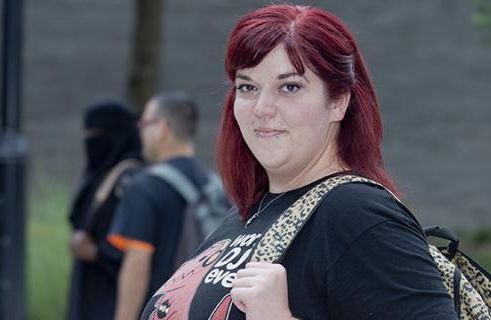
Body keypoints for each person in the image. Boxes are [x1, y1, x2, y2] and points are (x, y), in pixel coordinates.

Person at [139, 5, 457, 320]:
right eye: (247, 87)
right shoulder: (250, 211)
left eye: (289, 87)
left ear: (338, 101)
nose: (262, 108)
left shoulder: (356, 214)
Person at [108, 92, 215, 320]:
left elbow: (137, 264)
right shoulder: (213, 183)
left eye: (144, 123)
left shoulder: (144, 186)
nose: (141, 132)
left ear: (162, 128)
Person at [66, 100, 143, 320]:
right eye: (88, 133)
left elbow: (138, 246)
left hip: (114, 292)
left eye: (98, 133)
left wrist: (97, 253)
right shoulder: (101, 175)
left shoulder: (132, 179)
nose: (91, 141)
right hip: (91, 284)